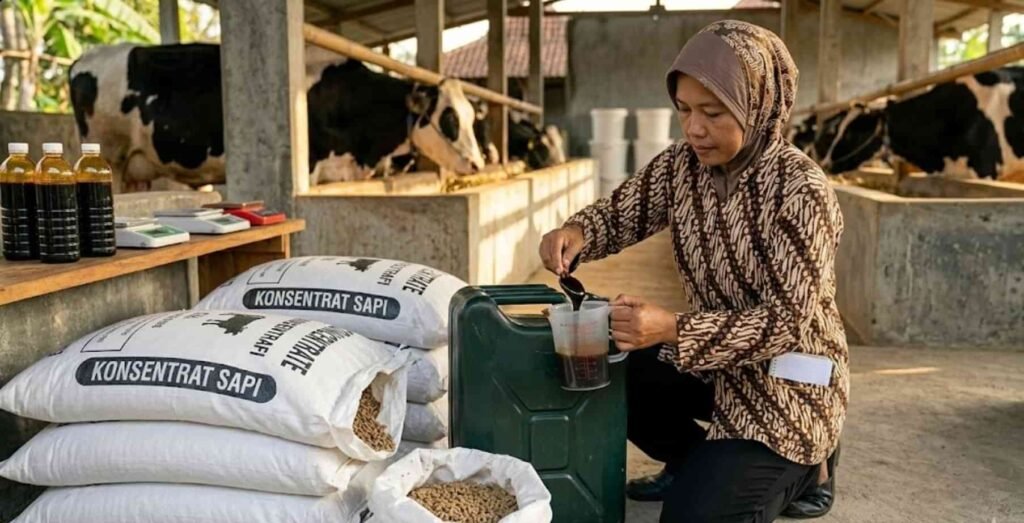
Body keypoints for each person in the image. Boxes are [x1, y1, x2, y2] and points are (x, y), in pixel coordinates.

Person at [539, 21, 847, 522]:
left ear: (759, 105)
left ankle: (812, 465)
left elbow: (785, 323)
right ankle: (692, 459)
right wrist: (578, 233)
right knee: (613, 358)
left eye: (713, 112)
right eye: (683, 110)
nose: (694, 128)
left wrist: (673, 328)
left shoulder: (801, 192)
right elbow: (622, 212)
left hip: (788, 380)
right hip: (714, 360)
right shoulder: (684, 166)